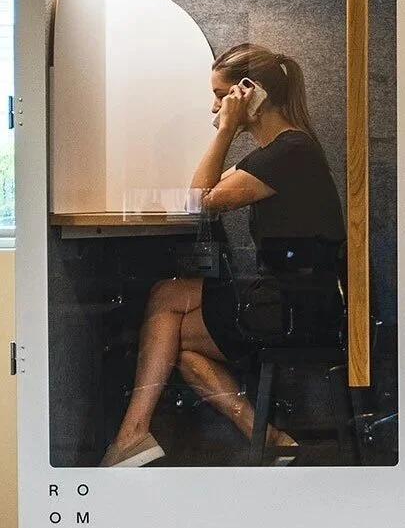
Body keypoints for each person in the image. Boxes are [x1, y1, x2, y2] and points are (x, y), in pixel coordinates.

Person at [100, 44, 346, 467]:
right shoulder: (277, 153)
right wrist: (228, 129)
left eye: (222, 94)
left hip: (297, 308)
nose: (214, 105)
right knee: (175, 335)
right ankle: (266, 437)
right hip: (290, 298)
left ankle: (131, 435)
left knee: (165, 308)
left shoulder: (291, 153)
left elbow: (199, 200)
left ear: (252, 93)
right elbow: (202, 189)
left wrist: (226, 129)